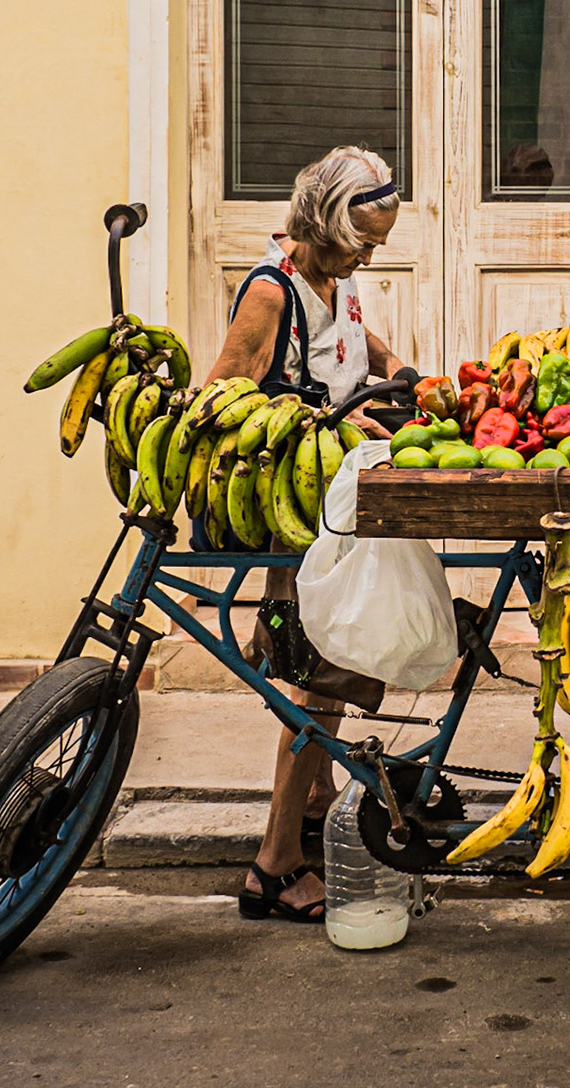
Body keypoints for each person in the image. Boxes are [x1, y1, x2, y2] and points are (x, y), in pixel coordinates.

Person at [202, 145, 408, 925]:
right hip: (300, 519)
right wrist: (322, 420)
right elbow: (224, 405)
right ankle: (275, 863)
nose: (371, 256)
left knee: (318, 672)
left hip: (338, 507)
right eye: (365, 241)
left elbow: (360, 344)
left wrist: (406, 377)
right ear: (324, 223)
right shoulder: (269, 292)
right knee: (322, 681)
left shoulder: (330, 279)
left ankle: (317, 801)